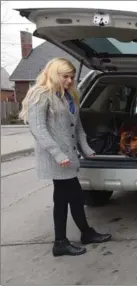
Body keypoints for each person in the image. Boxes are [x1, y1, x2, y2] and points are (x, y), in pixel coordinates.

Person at [19, 58, 112, 257]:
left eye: (71, 77)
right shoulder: (41, 95)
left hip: (68, 157)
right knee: (74, 197)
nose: (70, 81)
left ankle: (67, 240)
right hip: (57, 159)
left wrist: (86, 149)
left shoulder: (68, 96)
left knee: (63, 199)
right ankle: (73, 237)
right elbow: (38, 129)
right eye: (65, 77)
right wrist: (57, 154)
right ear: (53, 74)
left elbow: (77, 127)